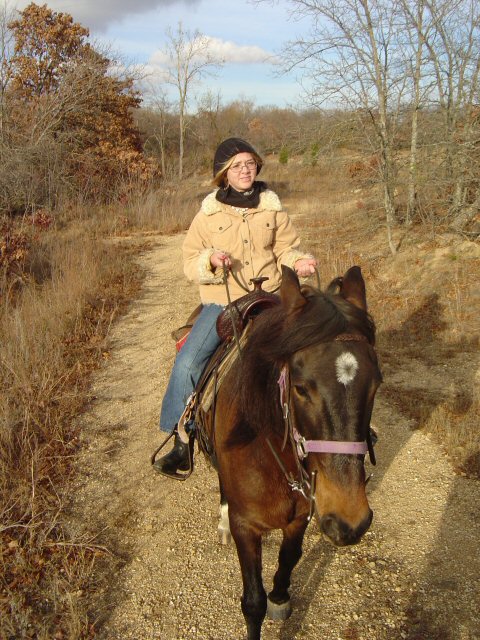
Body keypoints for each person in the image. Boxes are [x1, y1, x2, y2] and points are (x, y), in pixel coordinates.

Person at [154, 138, 317, 477]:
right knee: (187, 363)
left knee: (322, 349)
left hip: (272, 295)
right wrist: (210, 260)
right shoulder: (208, 213)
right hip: (222, 301)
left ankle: (346, 429)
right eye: (237, 165)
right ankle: (181, 440)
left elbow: (287, 248)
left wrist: (299, 261)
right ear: (223, 174)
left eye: (250, 163)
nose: (245, 169)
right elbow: (188, 260)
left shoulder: (272, 207)